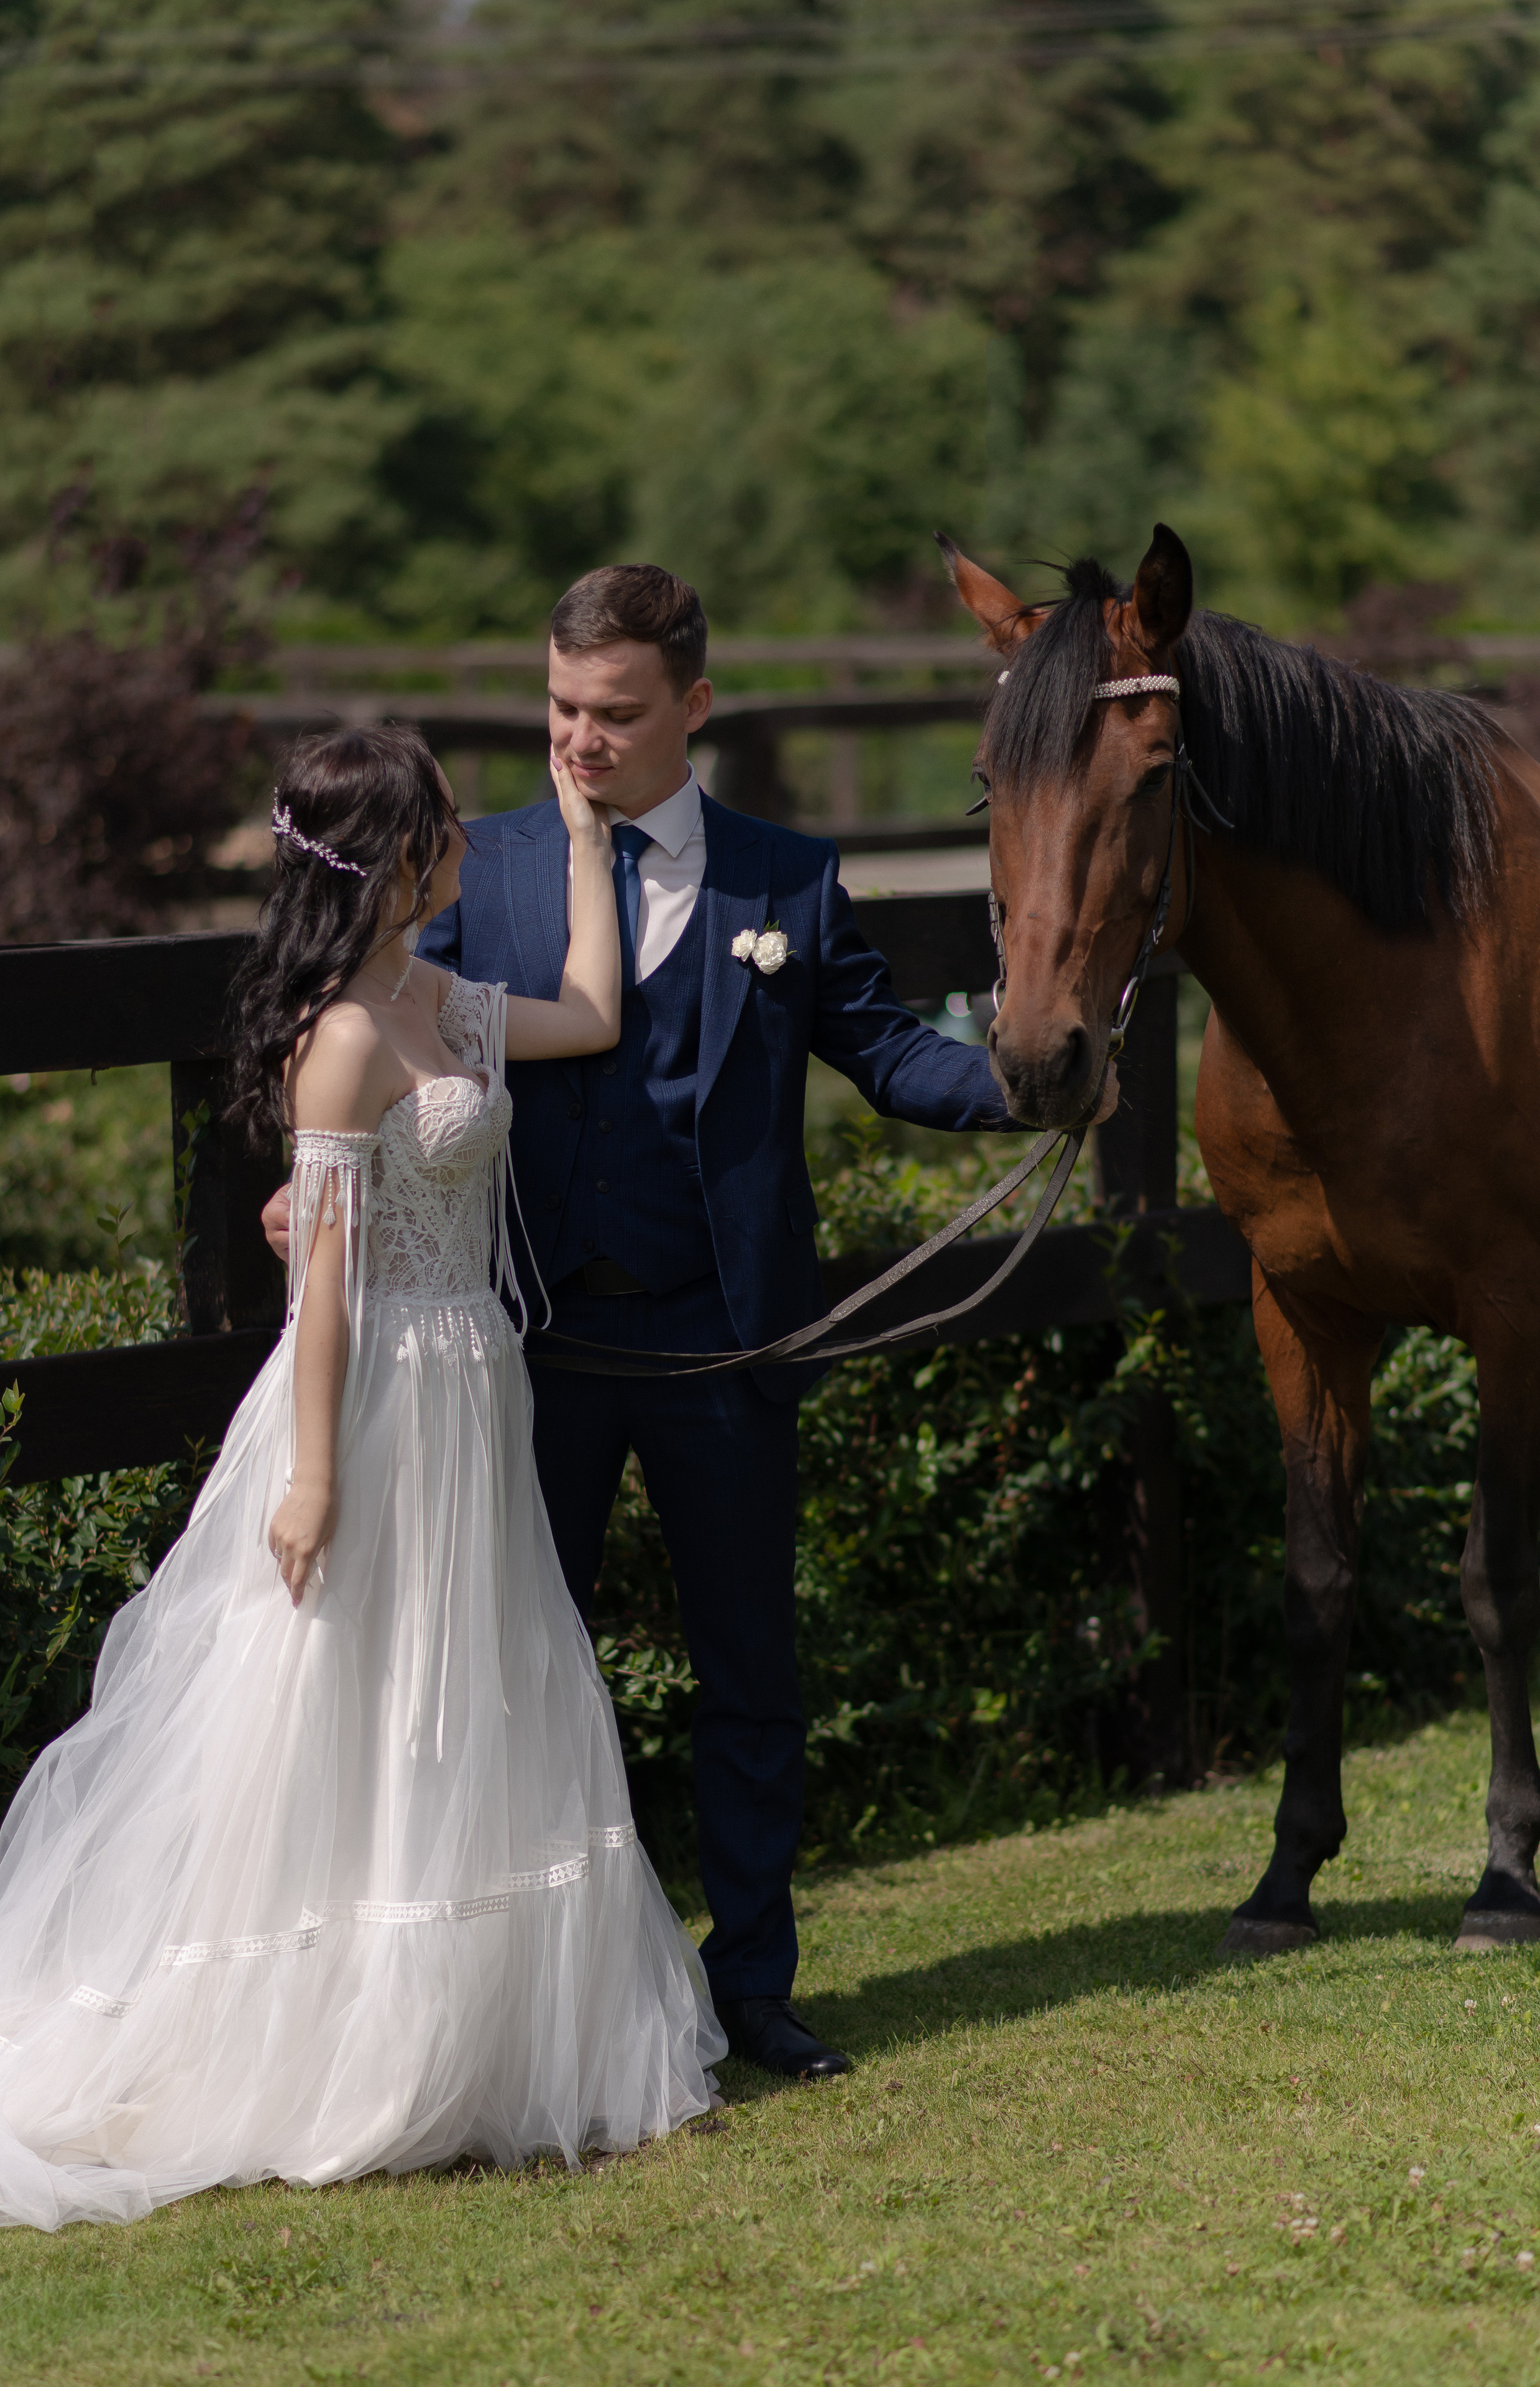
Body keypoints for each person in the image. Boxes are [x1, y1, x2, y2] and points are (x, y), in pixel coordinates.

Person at [0, 725, 724, 2233]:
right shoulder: (341, 1034)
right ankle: (316, 2035)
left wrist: (590, 838)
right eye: (446, 825)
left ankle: (453, 2037)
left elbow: (590, 1015)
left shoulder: (437, 1001)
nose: (466, 840)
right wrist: (313, 1475)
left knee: (463, 1693)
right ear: (395, 857)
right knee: (342, 1694)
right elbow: (315, 1291)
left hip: (473, 1385)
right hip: (380, 1395)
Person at [408, 564, 1032, 2079]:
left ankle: (750, 1985)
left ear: (694, 703)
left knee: (752, 1682)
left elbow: (886, 1051)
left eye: (614, 714)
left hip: (725, 1348)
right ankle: (524, 2008)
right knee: (509, 1681)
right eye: (558, 707)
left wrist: (1025, 1083)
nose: (578, 740)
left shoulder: (784, 879)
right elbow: (368, 1033)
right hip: (532, 1349)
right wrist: (313, 1183)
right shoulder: (473, 871)